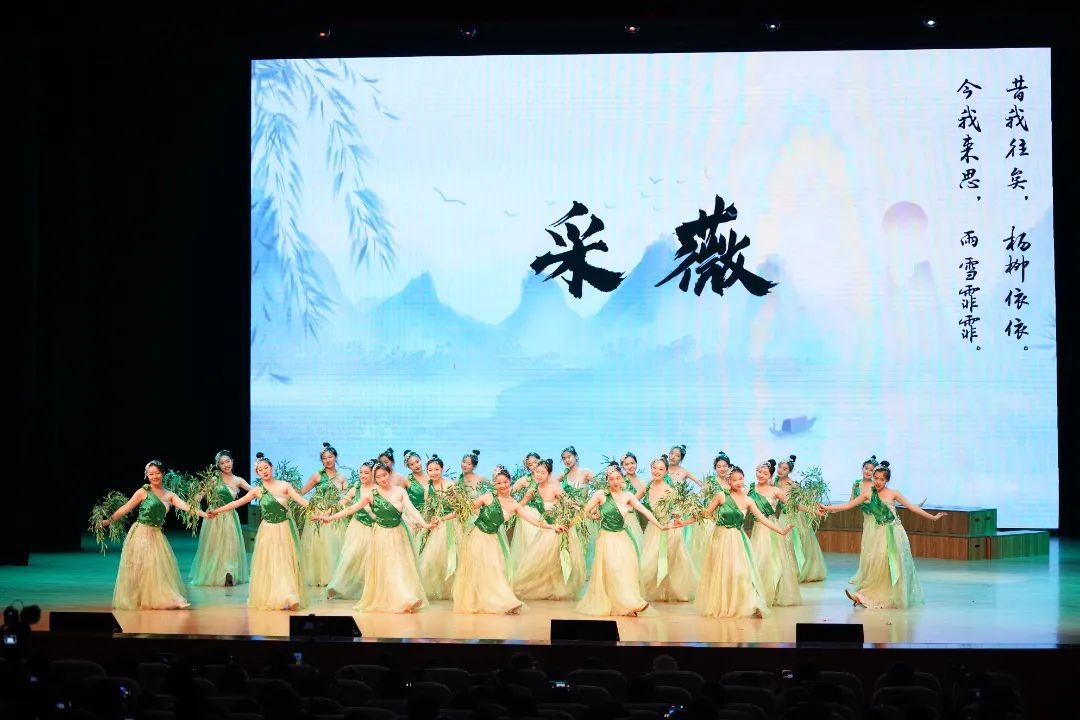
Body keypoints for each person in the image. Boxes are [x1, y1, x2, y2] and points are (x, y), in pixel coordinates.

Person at [821, 461, 945, 609]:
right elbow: (848, 505)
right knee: (877, 564)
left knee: (893, 564)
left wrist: (933, 518)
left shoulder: (894, 493)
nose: (878, 482)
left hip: (895, 533)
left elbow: (912, 508)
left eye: (882, 479)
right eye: (876, 478)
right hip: (878, 534)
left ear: (887, 480)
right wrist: (826, 507)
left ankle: (890, 595)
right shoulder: (868, 493)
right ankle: (864, 595)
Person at [316, 462, 433, 613]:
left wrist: (425, 524)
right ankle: (403, 599)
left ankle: (407, 597)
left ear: (390, 474)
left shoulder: (400, 491)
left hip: (399, 534)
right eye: (378, 477)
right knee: (388, 567)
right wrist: (329, 518)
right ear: (375, 478)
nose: (382, 479)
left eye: (385, 475)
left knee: (400, 566)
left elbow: (412, 510)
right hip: (381, 535)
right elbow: (350, 509)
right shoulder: (371, 494)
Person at [453, 465, 563, 614]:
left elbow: (533, 520)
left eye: (505, 482)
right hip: (477, 536)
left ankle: (503, 600)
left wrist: (552, 527)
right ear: (494, 484)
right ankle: (476, 601)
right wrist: (442, 518)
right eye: (499, 483)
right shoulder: (487, 497)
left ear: (510, 482)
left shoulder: (514, 505)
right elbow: (465, 509)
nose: (502, 485)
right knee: (478, 570)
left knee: (496, 570)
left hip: (493, 539)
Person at [209, 453, 311, 610]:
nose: (264, 471)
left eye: (266, 468)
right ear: (257, 473)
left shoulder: (284, 485)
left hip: (284, 529)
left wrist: (319, 510)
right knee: (271, 563)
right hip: (268, 531)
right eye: (260, 469)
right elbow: (237, 503)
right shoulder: (257, 490)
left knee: (285, 561)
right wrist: (217, 510)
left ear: (272, 468)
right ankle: (278, 595)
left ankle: (290, 595)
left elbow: (302, 501)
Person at [102, 460, 206, 609]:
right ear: (147, 475)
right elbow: (126, 508)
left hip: (156, 534)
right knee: (140, 567)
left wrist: (205, 514)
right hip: (140, 533)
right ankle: (139, 597)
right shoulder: (143, 492)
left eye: (157, 473)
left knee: (156, 568)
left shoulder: (169, 495)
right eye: (151, 474)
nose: (154, 476)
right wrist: (109, 521)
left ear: (163, 473)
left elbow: (187, 507)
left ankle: (166, 598)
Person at [693, 467, 793, 618]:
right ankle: (724, 605)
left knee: (742, 572)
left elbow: (762, 518)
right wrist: (682, 522)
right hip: (720, 539)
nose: (738, 482)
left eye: (741, 479)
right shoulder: (721, 496)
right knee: (723, 573)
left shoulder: (748, 500)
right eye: (734, 480)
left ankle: (751, 604)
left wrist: (781, 531)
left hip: (738, 540)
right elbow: (704, 514)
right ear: (728, 481)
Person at [576, 463, 670, 616]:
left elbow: (645, 511)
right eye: (612, 479)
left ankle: (630, 603)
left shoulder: (628, 496)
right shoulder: (601, 494)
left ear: (622, 479)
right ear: (607, 480)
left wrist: (659, 525)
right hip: (606, 539)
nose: (615, 482)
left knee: (626, 570)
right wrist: (590, 516)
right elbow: (584, 511)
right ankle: (617, 603)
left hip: (623, 539)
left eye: (618, 478)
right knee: (612, 570)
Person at [189, 449, 252, 587]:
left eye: (227, 461)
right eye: (222, 463)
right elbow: (201, 495)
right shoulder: (214, 479)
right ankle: (215, 573)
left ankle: (229, 573)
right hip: (214, 517)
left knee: (230, 545)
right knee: (214, 546)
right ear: (218, 465)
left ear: (232, 461)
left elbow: (254, 491)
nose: (225, 465)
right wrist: (191, 501)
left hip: (229, 517)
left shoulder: (238, 480)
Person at [297, 442, 348, 586]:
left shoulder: (342, 477)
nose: (328, 460)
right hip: (318, 515)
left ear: (335, 457)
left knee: (333, 546)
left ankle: (333, 578)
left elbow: (346, 498)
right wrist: (311, 508)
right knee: (318, 546)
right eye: (324, 458)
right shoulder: (317, 476)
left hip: (333, 516)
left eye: (330, 457)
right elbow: (301, 492)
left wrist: (334, 508)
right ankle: (319, 577)